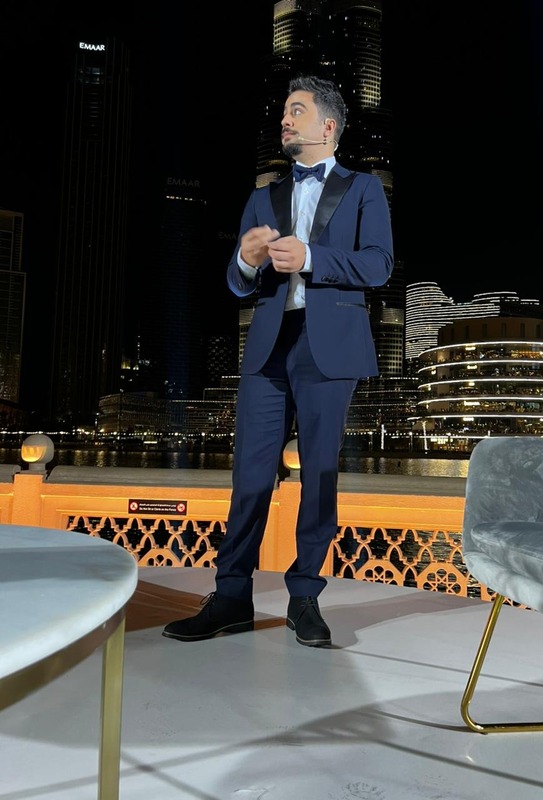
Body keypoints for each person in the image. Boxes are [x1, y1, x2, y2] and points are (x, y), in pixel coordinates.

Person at [163, 74, 394, 647]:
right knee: (249, 475)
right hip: (268, 347)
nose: (285, 121)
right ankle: (231, 597)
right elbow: (237, 283)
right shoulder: (262, 195)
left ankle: (305, 597)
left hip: (329, 347)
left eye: (297, 111)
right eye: (285, 112)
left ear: (328, 126)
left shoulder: (364, 188)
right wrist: (245, 261)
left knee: (318, 475)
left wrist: (312, 256)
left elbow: (379, 265)